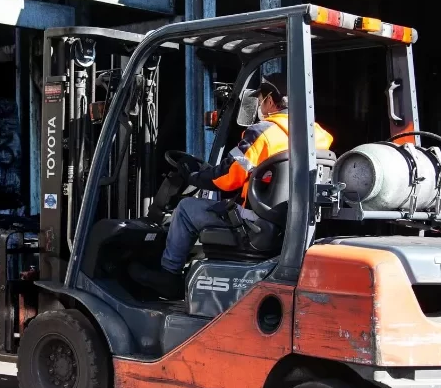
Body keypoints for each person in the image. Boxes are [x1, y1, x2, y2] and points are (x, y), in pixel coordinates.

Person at [129, 73, 333, 299]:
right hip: (289, 227)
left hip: (251, 224)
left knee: (186, 208)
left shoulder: (262, 132)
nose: (260, 105)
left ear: (271, 101)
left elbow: (229, 177)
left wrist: (196, 176)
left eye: (261, 98)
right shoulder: (319, 136)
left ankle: (169, 274)